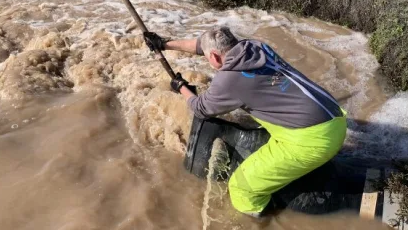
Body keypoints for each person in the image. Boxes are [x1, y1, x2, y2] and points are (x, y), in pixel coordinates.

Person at [143, 27, 347, 217]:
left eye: (207, 57)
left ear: (214, 56)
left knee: (241, 189)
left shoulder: (229, 80)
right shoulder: (256, 47)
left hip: (313, 139)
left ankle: (271, 218)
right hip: (333, 114)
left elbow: (200, 108)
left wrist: (181, 87)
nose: (206, 59)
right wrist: (165, 44)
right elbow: (201, 45)